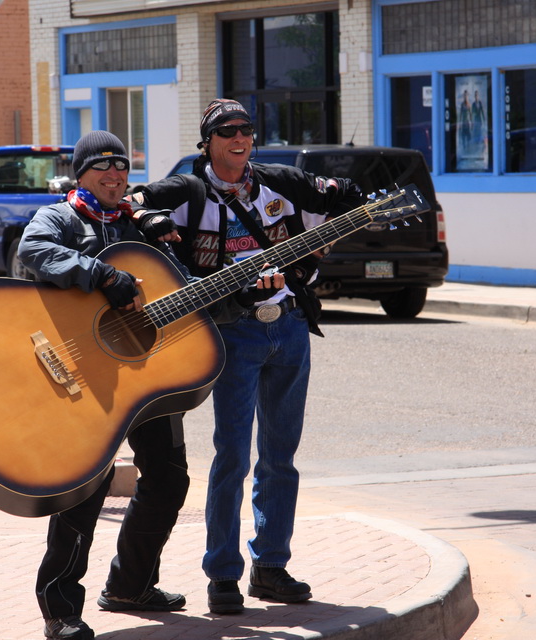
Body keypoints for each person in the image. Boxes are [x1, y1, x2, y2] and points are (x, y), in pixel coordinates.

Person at [129, 99, 365, 615]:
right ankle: (222, 575)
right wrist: (151, 220)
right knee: (231, 457)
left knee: (280, 458)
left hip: (290, 328)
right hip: (232, 334)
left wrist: (313, 253)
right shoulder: (189, 190)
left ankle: (271, 568)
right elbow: (132, 200)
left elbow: (348, 198)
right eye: (227, 131)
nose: (240, 138)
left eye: (247, 130)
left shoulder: (282, 181)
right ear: (207, 142)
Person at [18, 130, 189, 640]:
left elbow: (178, 287)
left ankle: (130, 586)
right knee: (85, 488)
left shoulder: (143, 225)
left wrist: (245, 290)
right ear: (82, 174)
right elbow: (34, 250)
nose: (116, 176)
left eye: (122, 167)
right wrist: (99, 273)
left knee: (169, 477)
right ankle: (61, 609)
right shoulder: (61, 217)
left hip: (145, 375)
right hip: (82, 374)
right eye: (103, 168)